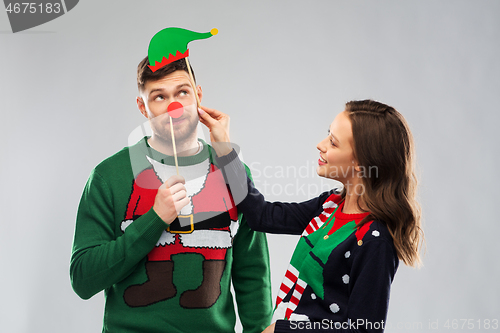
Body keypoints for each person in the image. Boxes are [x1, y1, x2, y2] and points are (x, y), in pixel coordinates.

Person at [70, 57, 273, 333]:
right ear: (143, 107)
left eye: (182, 92)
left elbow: (253, 272)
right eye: (159, 97)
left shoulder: (233, 171)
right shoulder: (108, 178)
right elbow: (83, 279)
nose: (173, 107)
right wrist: (154, 219)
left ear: (198, 95)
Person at [198, 99, 424, 332]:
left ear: (361, 162)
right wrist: (225, 149)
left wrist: (282, 330)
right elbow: (261, 215)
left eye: (333, 143)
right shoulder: (330, 206)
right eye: (328, 135)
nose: (320, 145)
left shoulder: (375, 240)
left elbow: (364, 329)